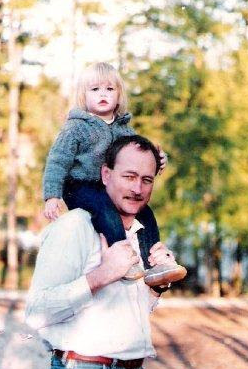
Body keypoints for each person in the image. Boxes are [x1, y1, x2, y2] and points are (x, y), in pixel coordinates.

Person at [26, 135, 185, 369]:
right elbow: (36, 312)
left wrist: (156, 287)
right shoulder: (74, 226)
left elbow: (128, 313)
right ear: (105, 174)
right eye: (129, 176)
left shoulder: (139, 232)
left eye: (147, 180)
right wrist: (102, 275)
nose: (138, 188)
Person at [41, 62, 184, 286]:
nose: (103, 95)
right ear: (83, 95)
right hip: (79, 186)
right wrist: (52, 195)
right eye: (95, 90)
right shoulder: (76, 128)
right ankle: (123, 258)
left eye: (109, 89)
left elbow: (138, 159)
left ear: (119, 95)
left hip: (108, 188)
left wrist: (158, 161)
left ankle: (154, 264)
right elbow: (57, 161)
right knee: (105, 210)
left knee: (145, 213)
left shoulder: (124, 130)